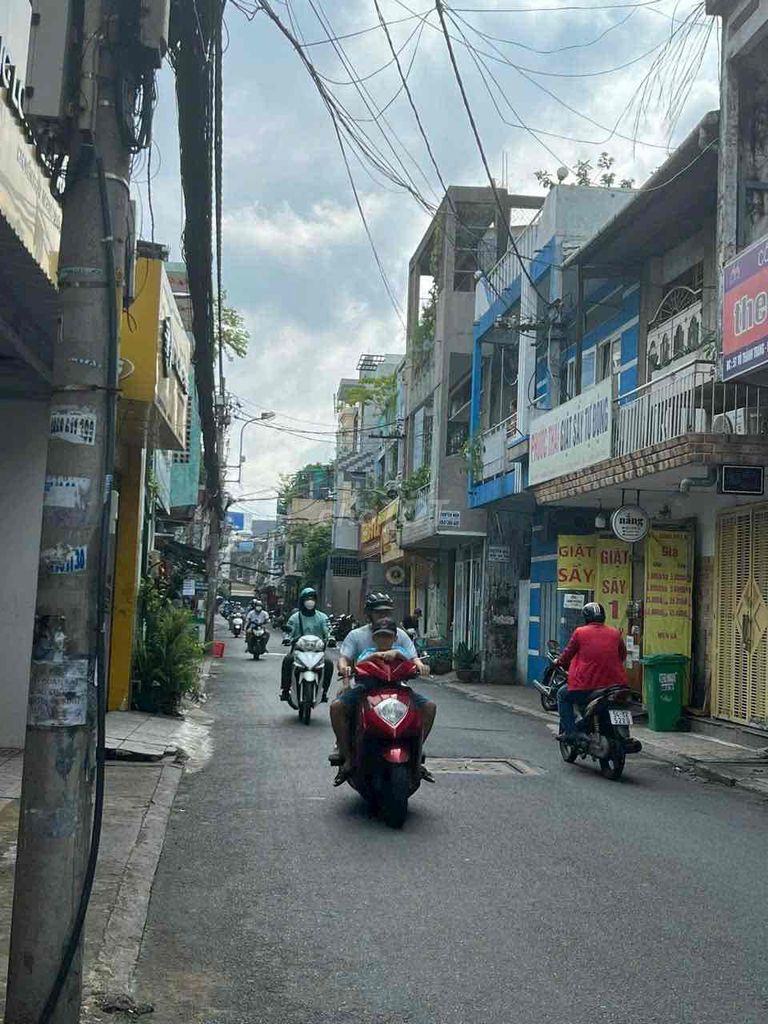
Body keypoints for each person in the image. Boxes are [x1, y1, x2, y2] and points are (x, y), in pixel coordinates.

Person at [330, 593, 435, 785]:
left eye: (387, 612)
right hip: (365, 687)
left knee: (429, 707)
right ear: (369, 614)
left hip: (398, 688)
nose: (384, 616)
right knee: (337, 707)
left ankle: (416, 753)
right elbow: (344, 658)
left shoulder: (400, 635)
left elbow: (413, 657)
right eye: (379, 612)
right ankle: (347, 757)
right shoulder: (357, 635)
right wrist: (345, 668)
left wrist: (420, 666)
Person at [555, 601, 628, 741]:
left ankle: (571, 732)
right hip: (616, 684)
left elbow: (567, 655)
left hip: (587, 685)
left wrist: (558, 662)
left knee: (562, 695)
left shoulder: (580, 632)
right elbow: (622, 655)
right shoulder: (615, 633)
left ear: (586, 617)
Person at [280, 587, 333, 703]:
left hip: (318, 651)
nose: (310, 601)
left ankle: (324, 692)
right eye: (307, 599)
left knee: (329, 664)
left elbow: (328, 630)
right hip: (298, 650)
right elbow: (289, 631)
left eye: (312, 598)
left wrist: (331, 638)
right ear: (302, 601)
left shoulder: (322, 617)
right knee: (287, 660)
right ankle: (285, 690)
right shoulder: (295, 617)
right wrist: (287, 638)